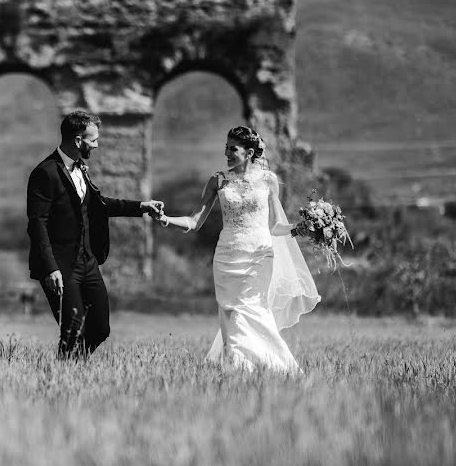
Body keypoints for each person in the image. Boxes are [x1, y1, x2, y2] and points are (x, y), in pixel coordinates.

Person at [157, 126, 320, 373]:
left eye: (232, 148)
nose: (227, 153)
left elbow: (276, 226)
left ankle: (267, 367)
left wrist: (300, 229)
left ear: (249, 152)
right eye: (226, 148)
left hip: (260, 256)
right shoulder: (218, 180)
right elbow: (194, 221)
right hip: (227, 257)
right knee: (231, 313)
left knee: (252, 310)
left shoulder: (268, 180)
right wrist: (167, 219)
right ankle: (239, 367)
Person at [27, 110, 164, 358]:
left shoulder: (81, 170)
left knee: (100, 328)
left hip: (88, 262)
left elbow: (99, 205)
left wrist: (141, 207)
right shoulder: (44, 173)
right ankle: (65, 375)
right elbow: (37, 225)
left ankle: (72, 364)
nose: (97, 144)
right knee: (72, 329)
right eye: (93, 140)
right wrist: (50, 268)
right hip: (60, 265)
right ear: (78, 141)